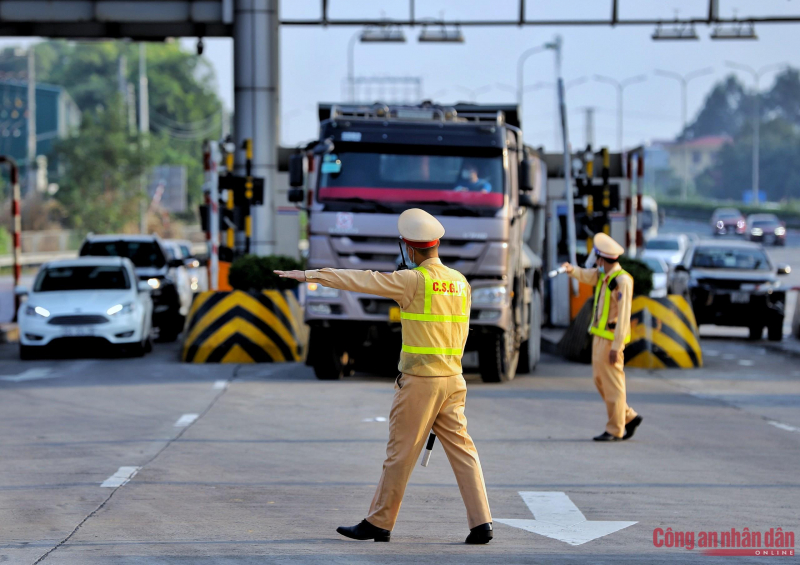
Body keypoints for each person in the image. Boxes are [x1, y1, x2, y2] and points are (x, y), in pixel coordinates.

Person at [275, 208, 493, 544]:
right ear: (436, 244)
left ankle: (379, 522)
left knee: (399, 455)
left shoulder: (413, 280)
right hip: (454, 380)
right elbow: (461, 331)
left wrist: (310, 275)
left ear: (410, 248)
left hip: (420, 381)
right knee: (464, 452)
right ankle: (482, 524)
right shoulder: (460, 282)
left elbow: (362, 279)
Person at [560, 233, 643, 442]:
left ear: (602, 259)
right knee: (601, 381)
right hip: (599, 337)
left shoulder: (622, 281)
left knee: (613, 385)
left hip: (611, 340)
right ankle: (628, 417)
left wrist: (617, 346)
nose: (595, 263)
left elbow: (623, 317)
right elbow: (587, 275)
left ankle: (615, 429)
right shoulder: (604, 277)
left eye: (597, 258)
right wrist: (571, 270)